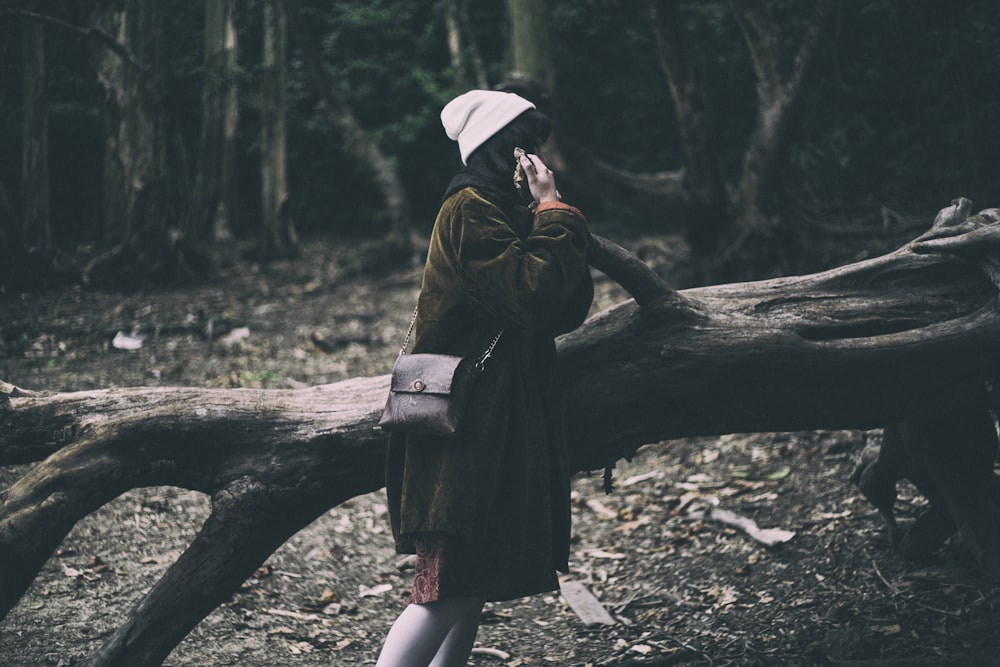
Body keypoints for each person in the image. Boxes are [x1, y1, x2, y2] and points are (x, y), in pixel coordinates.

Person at [377, 90, 594, 666]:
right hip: (467, 427)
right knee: (446, 588)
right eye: (532, 147)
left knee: (468, 587)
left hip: (492, 420)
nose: (542, 161)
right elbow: (531, 293)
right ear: (511, 151)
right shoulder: (471, 208)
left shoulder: (499, 208)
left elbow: (564, 307)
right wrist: (552, 214)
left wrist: (550, 216)